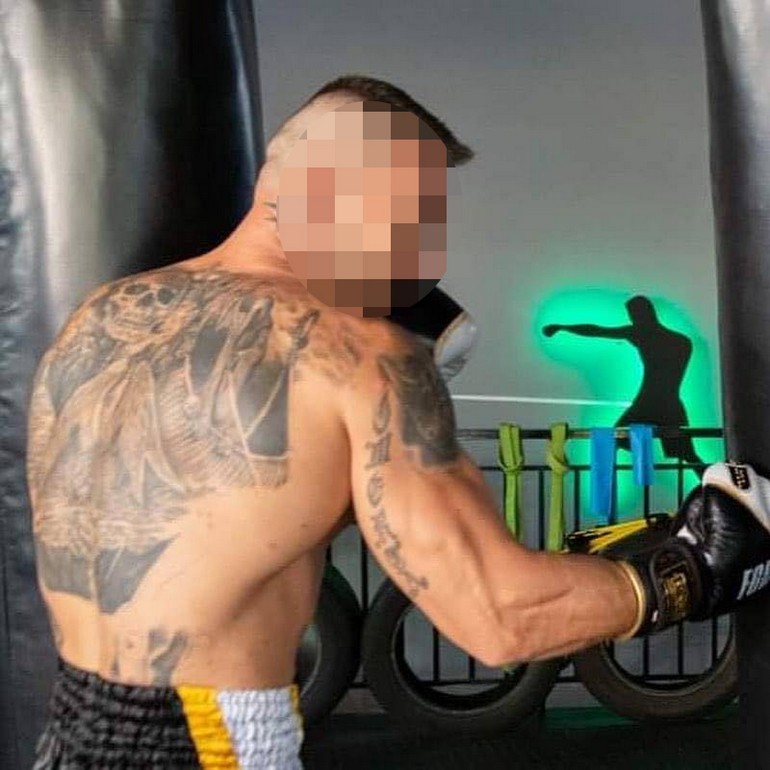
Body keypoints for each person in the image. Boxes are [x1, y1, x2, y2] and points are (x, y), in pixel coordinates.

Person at [27, 75, 770, 769]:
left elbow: (222, 523)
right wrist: (689, 569)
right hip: (212, 739)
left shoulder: (101, 316)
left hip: (71, 727)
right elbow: (496, 616)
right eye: (418, 214)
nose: (424, 251)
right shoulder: (359, 356)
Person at [544, 294, 705, 468]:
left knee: (614, 440)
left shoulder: (640, 333)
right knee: (687, 454)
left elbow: (598, 330)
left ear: (641, 314)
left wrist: (563, 327)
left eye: (633, 315)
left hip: (647, 403)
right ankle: (716, 482)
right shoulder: (682, 341)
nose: (632, 319)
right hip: (671, 404)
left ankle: (609, 484)